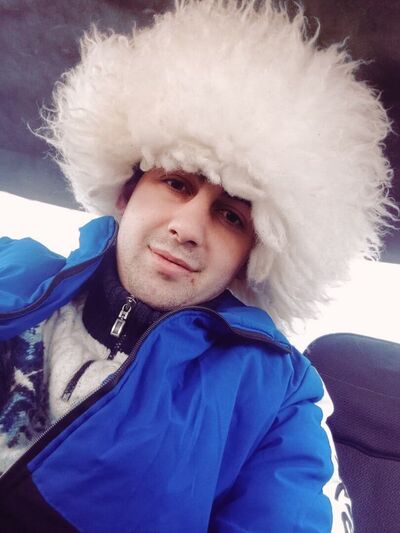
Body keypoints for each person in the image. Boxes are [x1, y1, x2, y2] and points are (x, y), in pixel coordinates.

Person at [0, 0, 394, 530]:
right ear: (126, 193)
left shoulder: (276, 395)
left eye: (230, 215)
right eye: (176, 183)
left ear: (253, 256)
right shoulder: (11, 267)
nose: (187, 227)